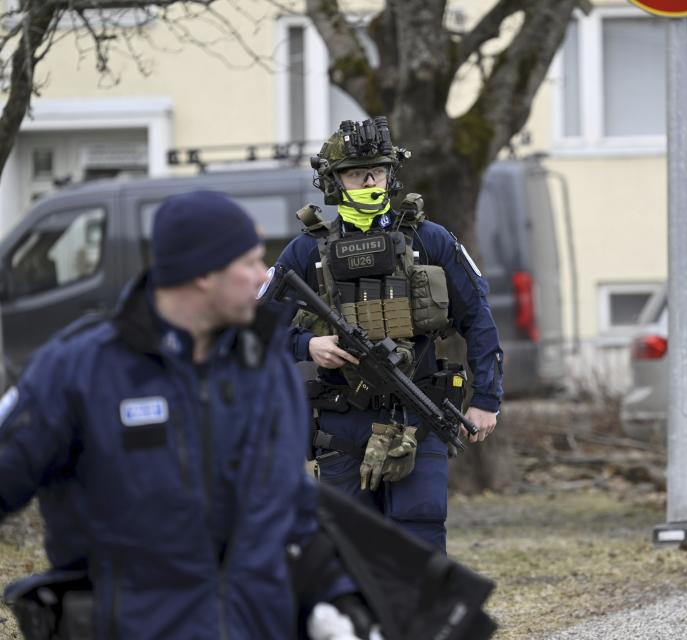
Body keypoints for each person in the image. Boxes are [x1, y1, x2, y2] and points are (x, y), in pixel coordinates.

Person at [0, 191, 362, 639]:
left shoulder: (265, 369)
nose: (261, 278)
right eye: (248, 263)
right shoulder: (80, 370)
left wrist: (338, 601)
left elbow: (294, 512)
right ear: (203, 273)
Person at [274, 117, 503, 551]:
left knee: (420, 535)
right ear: (333, 182)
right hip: (342, 421)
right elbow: (251, 330)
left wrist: (487, 401)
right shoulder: (306, 251)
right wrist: (308, 344)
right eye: (356, 173)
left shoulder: (430, 241)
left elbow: (479, 318)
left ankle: (423, 620)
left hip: (418, 410)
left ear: (391, 174)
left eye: (377, 171)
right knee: (347, 547)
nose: (369, 181)